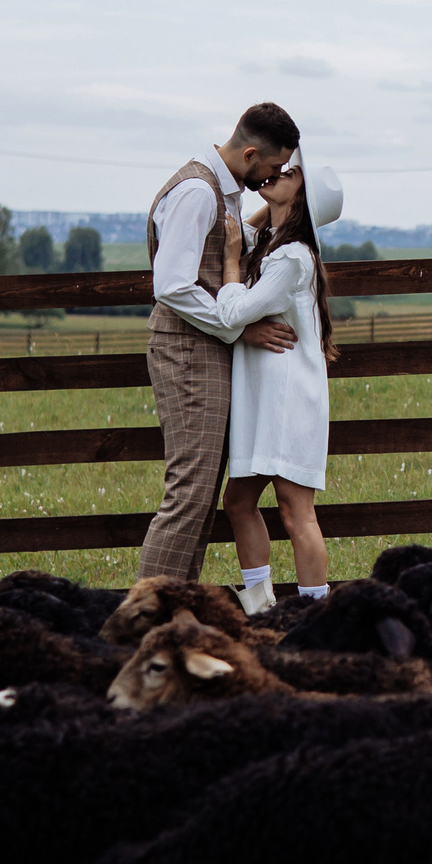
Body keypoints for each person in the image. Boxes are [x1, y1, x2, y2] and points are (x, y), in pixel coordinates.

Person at [135, 103, 300, 583]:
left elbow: (234, 242)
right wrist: (239, 327)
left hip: (199, 350)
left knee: (202, 494)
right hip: (187, 353)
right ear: (250, 154)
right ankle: (147, 613)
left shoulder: (220, 191)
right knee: (189, 494)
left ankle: (175, 607)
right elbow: (172, 285)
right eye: (270, 168)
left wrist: (291, 198)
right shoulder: (197, 194)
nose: (272, 176)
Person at [218, 160, 344, 615]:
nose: (278, 172)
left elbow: (233, 313)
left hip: (289, 398)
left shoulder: (291, 258)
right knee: (238, 501)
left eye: (291, 173)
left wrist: (232, 264)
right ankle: (261, 606)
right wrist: (269, 209)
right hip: (263, 396)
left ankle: (316, 615)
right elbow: (250, 233)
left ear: (302, 198)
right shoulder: (275, 245)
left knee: (295, 511)